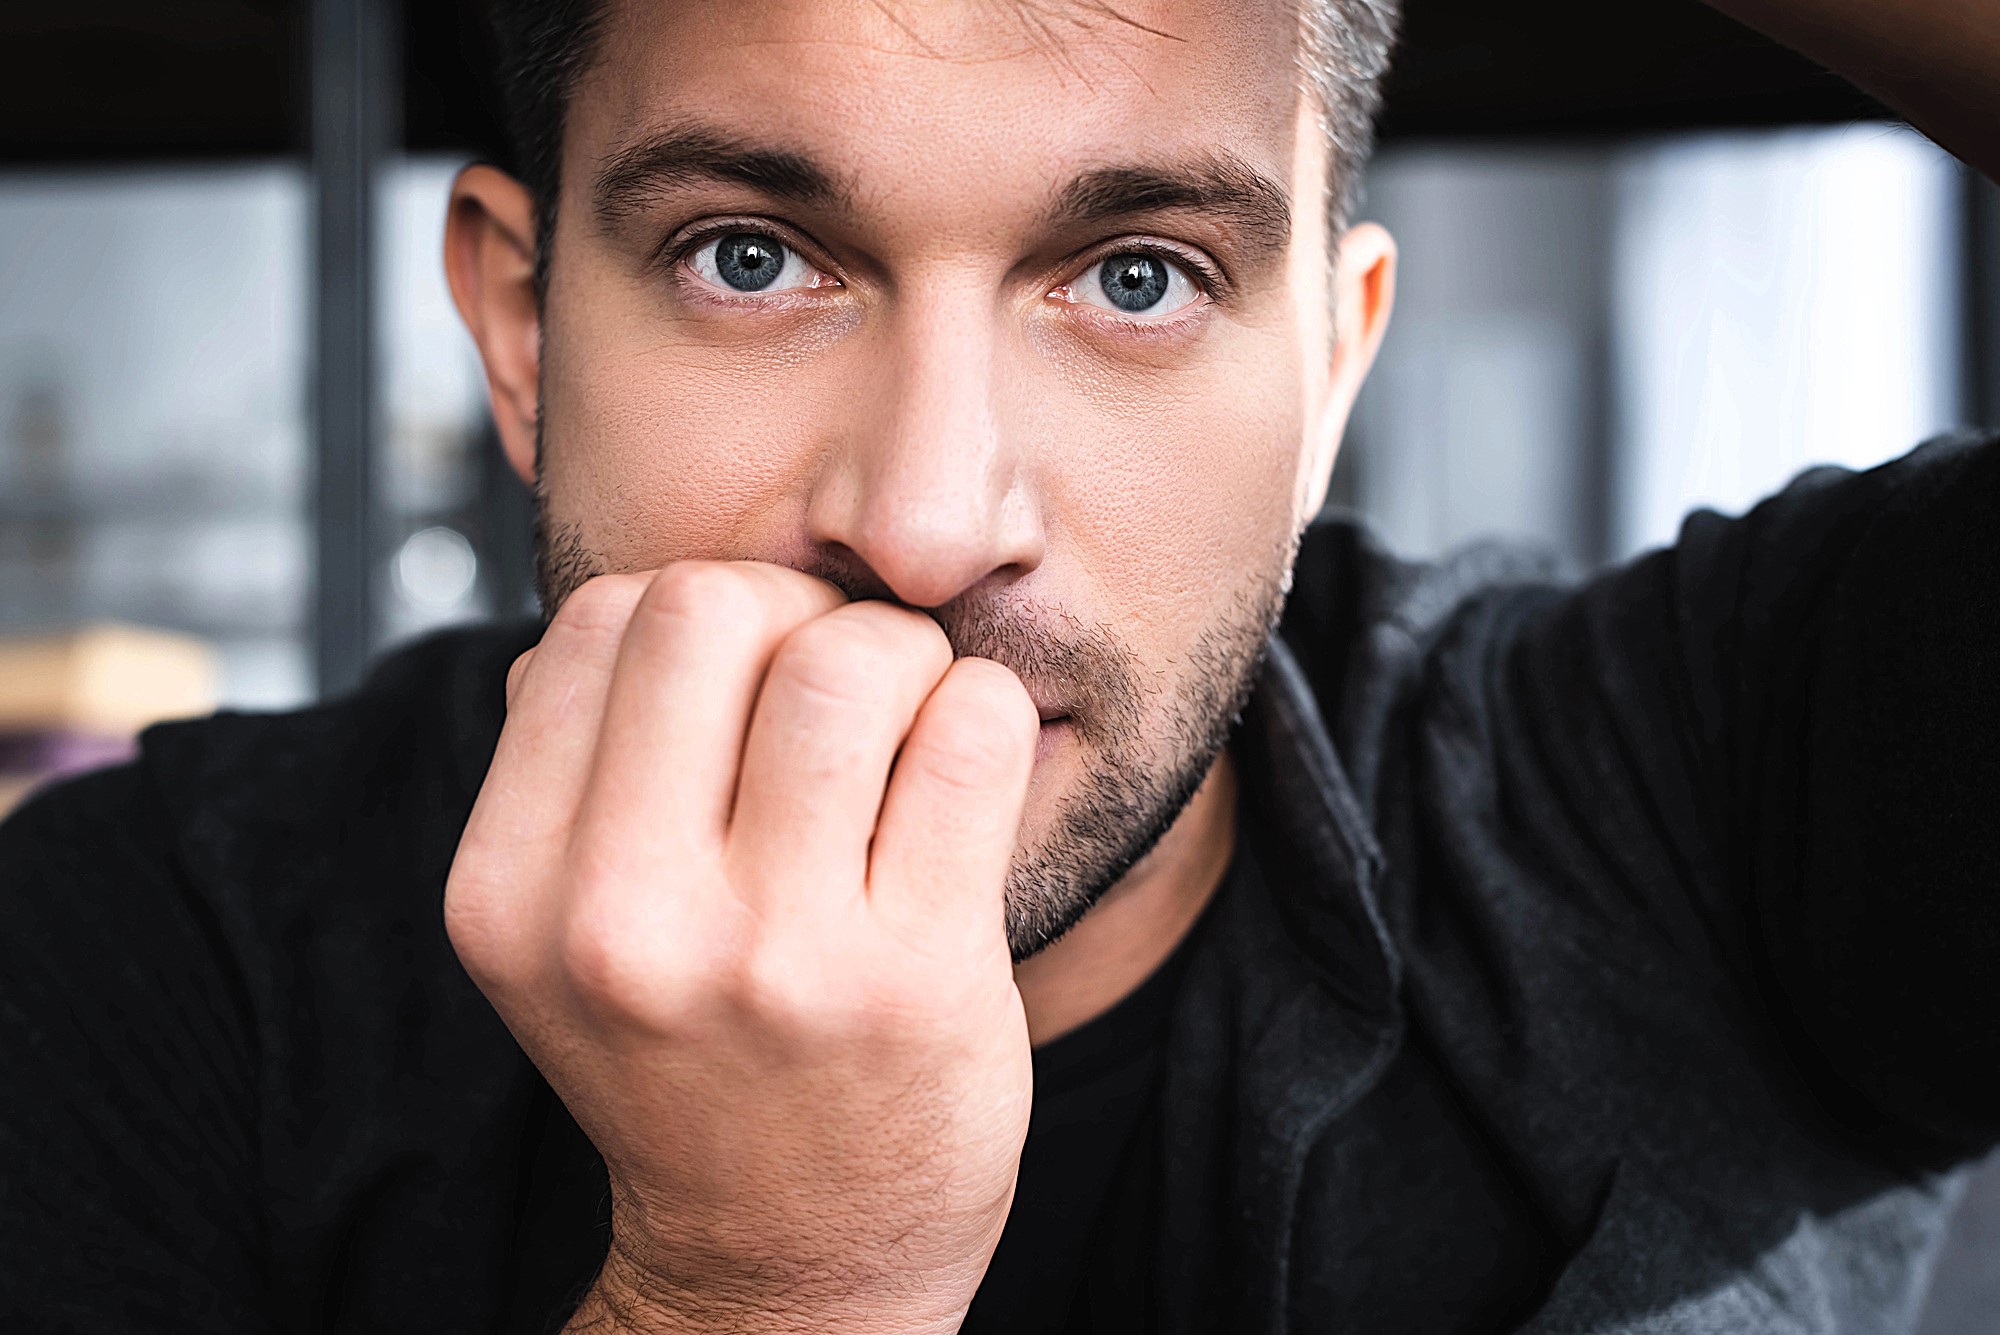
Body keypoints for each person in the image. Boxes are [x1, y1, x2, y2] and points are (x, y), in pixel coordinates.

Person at [3, 0, 1997, 1331]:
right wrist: (761, 1285)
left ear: (1326, 374)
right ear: (523, 333)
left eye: (1136, 277)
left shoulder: (1705, 797)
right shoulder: (129, 962)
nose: (934, 517)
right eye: (750, 256)